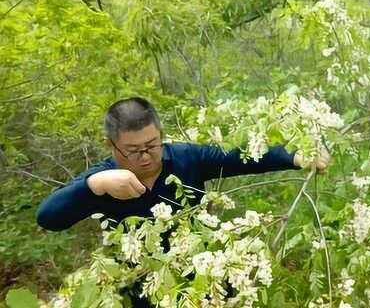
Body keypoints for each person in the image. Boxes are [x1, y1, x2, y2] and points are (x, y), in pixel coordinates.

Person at [36, 97, 330, 231]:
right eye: (132, 150)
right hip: (147, 287)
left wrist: (294, 156)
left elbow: (239, 157)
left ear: (161, 136)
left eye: (152, 145)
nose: (146, 156)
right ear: (111, 146)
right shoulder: (103, 179)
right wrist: (95, 185)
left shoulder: (185, 158)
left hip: (205, 273)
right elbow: (49, 218)